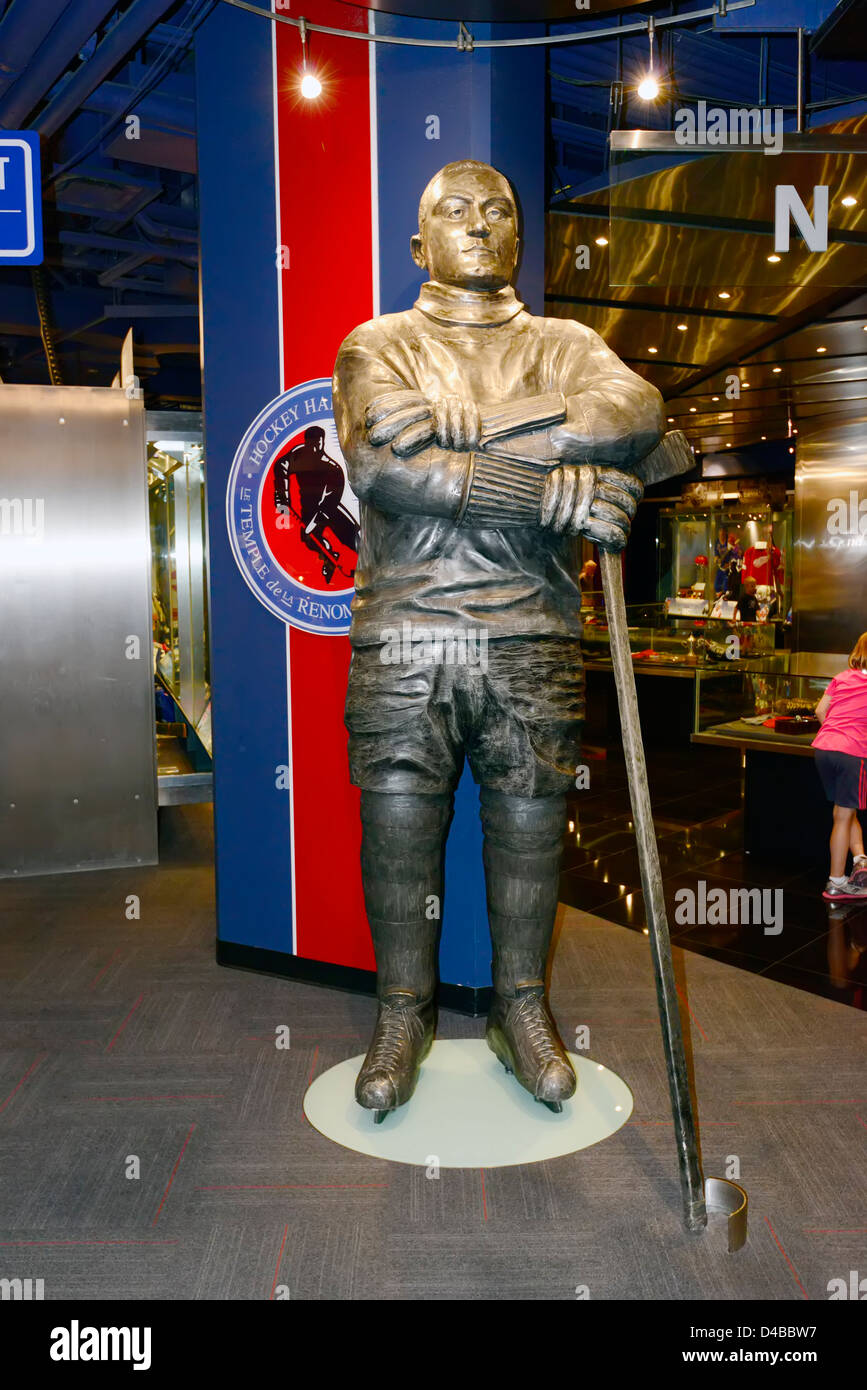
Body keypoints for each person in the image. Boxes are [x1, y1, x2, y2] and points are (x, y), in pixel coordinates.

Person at [333, 159, 663, 1120]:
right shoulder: (376, 344)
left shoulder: (565, 343)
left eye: (497, 212)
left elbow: (635, 413)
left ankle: (523, 1008)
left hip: (532, 633)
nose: (477, 224)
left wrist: (464, 427)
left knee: (528, 827)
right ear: (417, 242)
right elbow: (388, 472)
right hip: (408, 632)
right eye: (452, 210)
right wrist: (552, 486)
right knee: (397, 825)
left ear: (521, 239)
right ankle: (403, 1012)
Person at [812, 633, 867, 900]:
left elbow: (820, 712)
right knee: (845, 815)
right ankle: (836, 881)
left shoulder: (842, 677)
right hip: (851, 754)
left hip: (824, 748)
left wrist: (836, 735)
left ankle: (861, 861)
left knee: (844, 811)